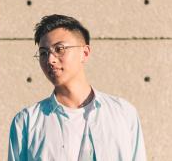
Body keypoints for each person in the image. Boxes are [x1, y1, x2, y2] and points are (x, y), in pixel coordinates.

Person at [8, 14, 147, 161]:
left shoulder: (123, 113)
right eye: (43, 53)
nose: (50, 59)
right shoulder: (26, 122)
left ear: (85, 53)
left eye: (59, 49)